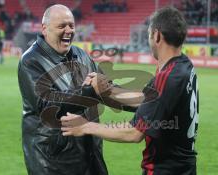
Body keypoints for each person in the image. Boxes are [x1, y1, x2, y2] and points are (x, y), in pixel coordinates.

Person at [61, 6, 199, 175]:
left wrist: (85, 126)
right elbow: (146, 99)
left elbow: (134, 133)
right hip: (184, 168)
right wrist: (107, 90)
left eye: (149, 34)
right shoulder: (183, 66)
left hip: (166, 169)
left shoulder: (169, 76)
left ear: (156, 35)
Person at [18, 4, 122, 175]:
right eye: (61, 26)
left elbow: (104, 87)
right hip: (53, 162)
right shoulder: (31, 61)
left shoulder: (81, 55)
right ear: (45, 29)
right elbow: (47, 105)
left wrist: (143, 101)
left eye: (71, 25)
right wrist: (89, 92)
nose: (68, 30)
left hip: (90, 154)